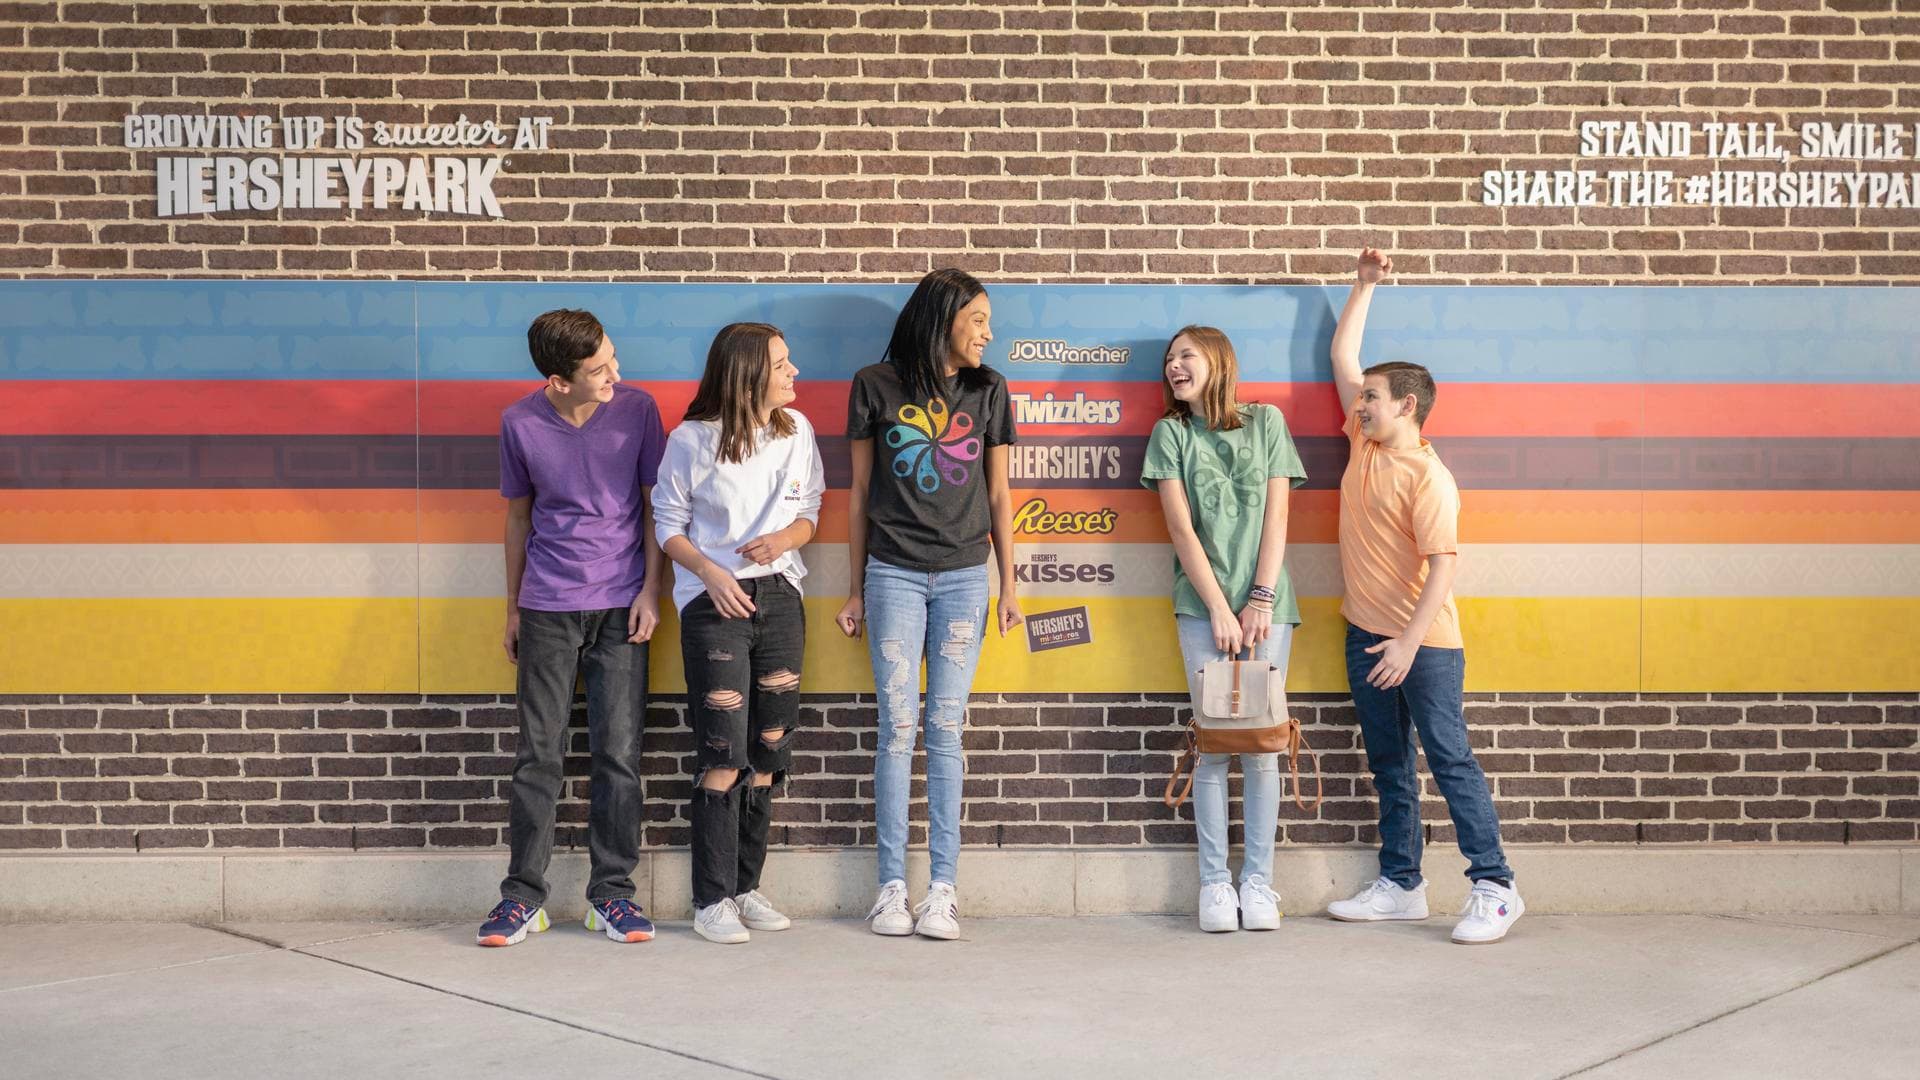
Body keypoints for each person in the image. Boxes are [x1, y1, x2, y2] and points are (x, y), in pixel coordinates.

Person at [1324, 248, 1523, 945]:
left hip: (1425, 644)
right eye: (1361, 398)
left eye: (1371, 397)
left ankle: (1495, 886)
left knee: (1448, 758)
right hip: (1364, 633)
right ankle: (1402, 885)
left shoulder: (1428, 478)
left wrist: (1408, 643)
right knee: (1388, 764)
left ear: (1406, 405)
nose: (1359, 403)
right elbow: (1344, 353)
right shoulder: (1365, 445)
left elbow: (1444, 566)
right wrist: (1364, 285)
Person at [836, 268, 1022, 940]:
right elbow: (858, 494)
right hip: (893, 576)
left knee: (945, 731)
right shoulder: (874, 385)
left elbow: (1000, 496)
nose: (988, 333)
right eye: (977, 318)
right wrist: (854, 586)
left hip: (967, 579)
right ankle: (891, 887)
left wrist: (1010, 583)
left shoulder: (989, 388)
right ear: (943, 317)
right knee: (897, 729)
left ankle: (942, 888)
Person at [479, 308, 666, 948]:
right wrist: (512, 608)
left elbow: (654, 508)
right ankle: (522, 899)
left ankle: (611, 896)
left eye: (612, 356)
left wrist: (650, 590)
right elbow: (517, 519)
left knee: (618, 755)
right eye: (599, 368)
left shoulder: (639, 411)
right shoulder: (520, 423)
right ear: (559, 380)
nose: (616, 372)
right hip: (547, 606)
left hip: (621, 606)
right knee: (538, 755)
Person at [652, 322, 824, 945]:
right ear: (749, 372)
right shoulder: (691, 440)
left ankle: (746, 887)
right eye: (782, 363)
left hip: (781, 599)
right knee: (723, 752)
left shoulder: (797, 431)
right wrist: (709, 572)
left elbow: (809, 514)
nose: (793, 372)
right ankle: (710, 899)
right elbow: (667, 526)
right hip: (714, 602)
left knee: (769, 751)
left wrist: (783, 540)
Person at [1142, 326, 1308, 932]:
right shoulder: (1170, 434)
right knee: (1212, 745)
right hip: (1200, 608)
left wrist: (1259, 599)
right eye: (1169, 360)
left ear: (1218, 360)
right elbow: (1181, 531)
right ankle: (1215, 884)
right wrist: (1216, 606)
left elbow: (1279, 513)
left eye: (1186, 355)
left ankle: (1258, 882)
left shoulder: (1266, 423)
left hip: (1269, 607)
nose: (1174, 367)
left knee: (1263, 746)